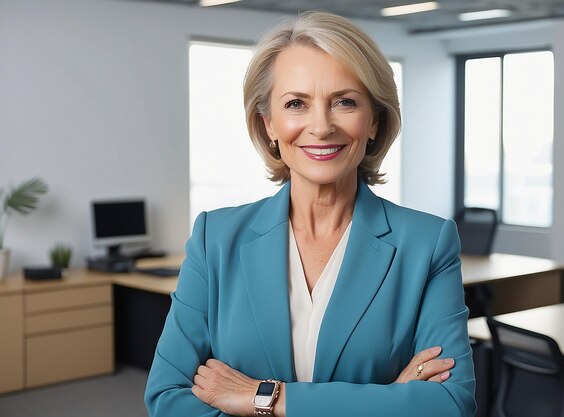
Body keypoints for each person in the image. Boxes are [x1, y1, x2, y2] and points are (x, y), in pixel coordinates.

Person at [145, 11, 476, 417]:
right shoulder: (216, 238)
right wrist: (388, 398)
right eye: (296, 103)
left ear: (374, 120)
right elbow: (167, 398)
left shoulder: (427, 244)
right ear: (268, 124)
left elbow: (448, 404)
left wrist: (266, 398)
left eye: (345, 102)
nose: (321, 127)